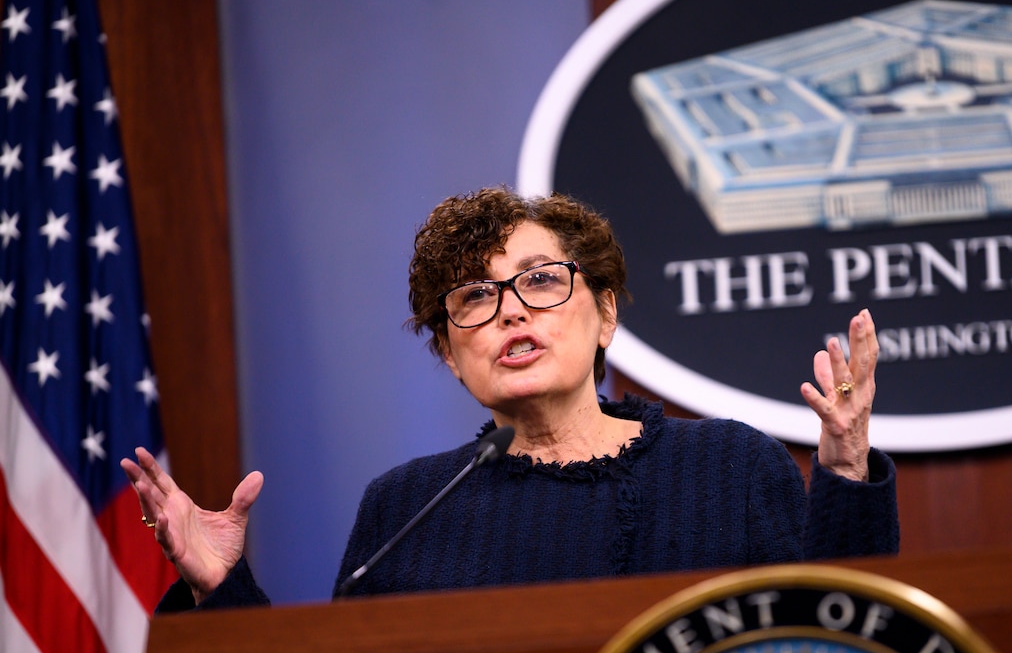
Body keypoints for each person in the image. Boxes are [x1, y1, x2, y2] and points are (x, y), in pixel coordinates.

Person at [123, 188, 898, 611]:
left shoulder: (729, 465)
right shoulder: (406, 509)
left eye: (539, 280)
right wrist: (220, 585)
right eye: (474, 298)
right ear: (453, 357)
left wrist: (847, 473)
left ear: (604, 314)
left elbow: (841, 647)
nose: (511, 312)